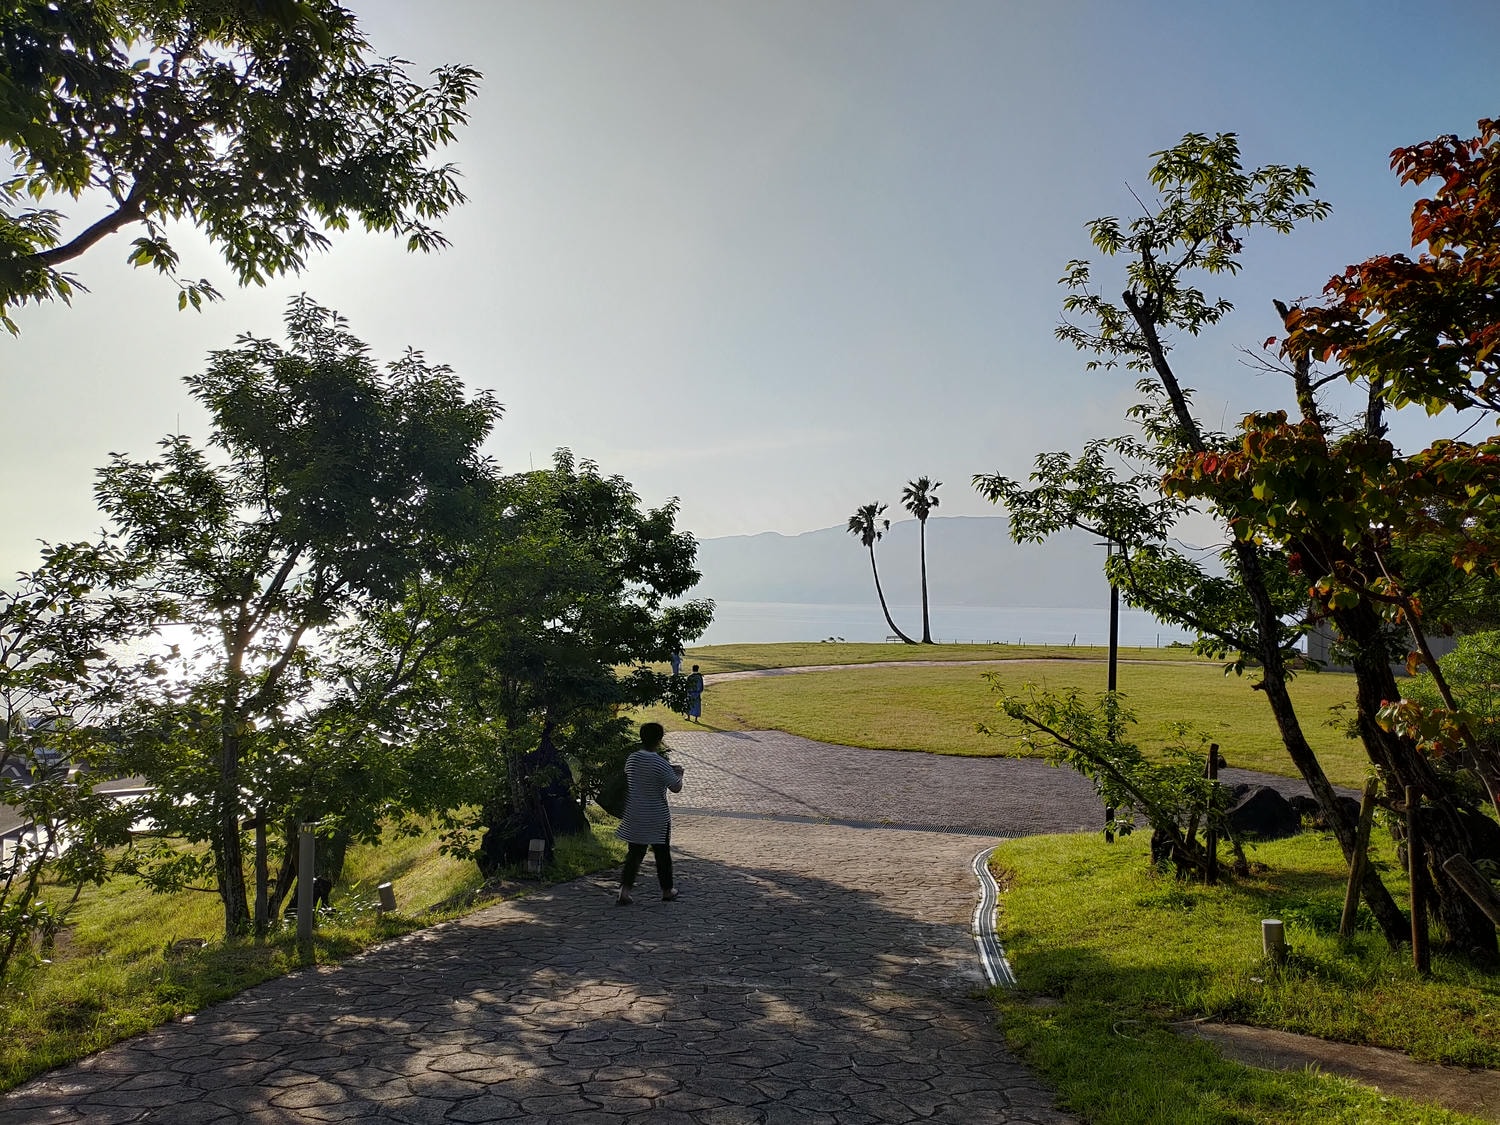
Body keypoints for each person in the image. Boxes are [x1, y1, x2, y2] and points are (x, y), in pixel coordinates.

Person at [616, 722, 684, 905]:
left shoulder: (632, 759)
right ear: (659, 740)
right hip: (656, 815)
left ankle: (625, 890)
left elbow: (632, 776)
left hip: (635, 812)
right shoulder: (660, 763)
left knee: (634, 854)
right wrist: (679, 774)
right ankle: (667, 890)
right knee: (662, 854)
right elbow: (675, 787)